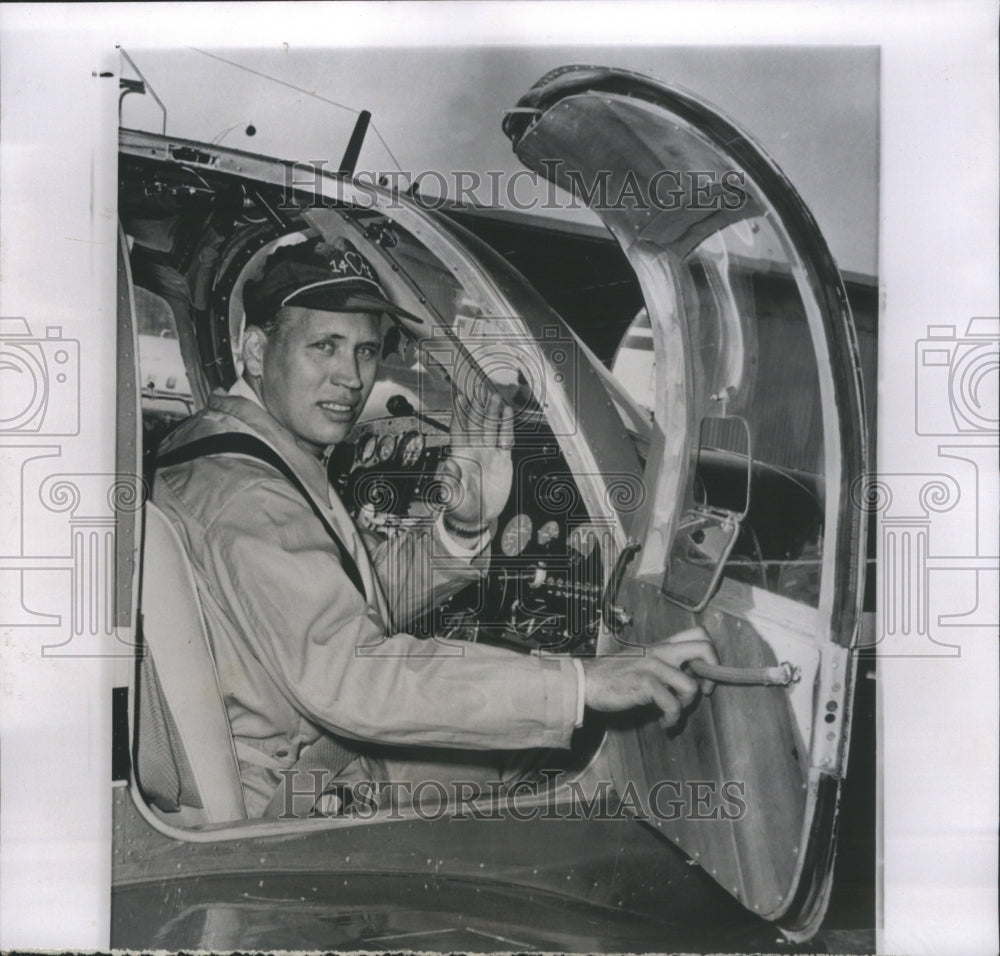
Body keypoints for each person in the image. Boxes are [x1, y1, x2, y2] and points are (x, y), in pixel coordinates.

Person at [152, 235, 718, 818]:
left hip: (287, 747)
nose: (351, 377)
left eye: (366, 352)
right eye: (324, 346)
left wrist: (460, 530)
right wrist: (583, 684)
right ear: (254, 350)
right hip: (294, 786)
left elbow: (340, 610)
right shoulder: (250, 496)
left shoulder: (217, 447)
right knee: (558, 753)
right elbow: (354, 679)